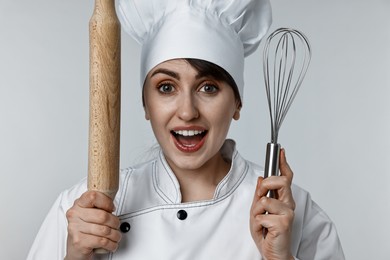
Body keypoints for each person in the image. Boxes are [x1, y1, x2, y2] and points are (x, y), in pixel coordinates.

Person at [28, 0, 345, 259]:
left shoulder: (291, 214)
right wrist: (74, 258)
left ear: (237, 103)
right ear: (145, 104)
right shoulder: (83, 209)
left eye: (208, 88)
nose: (187, 111)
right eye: (166, 87)